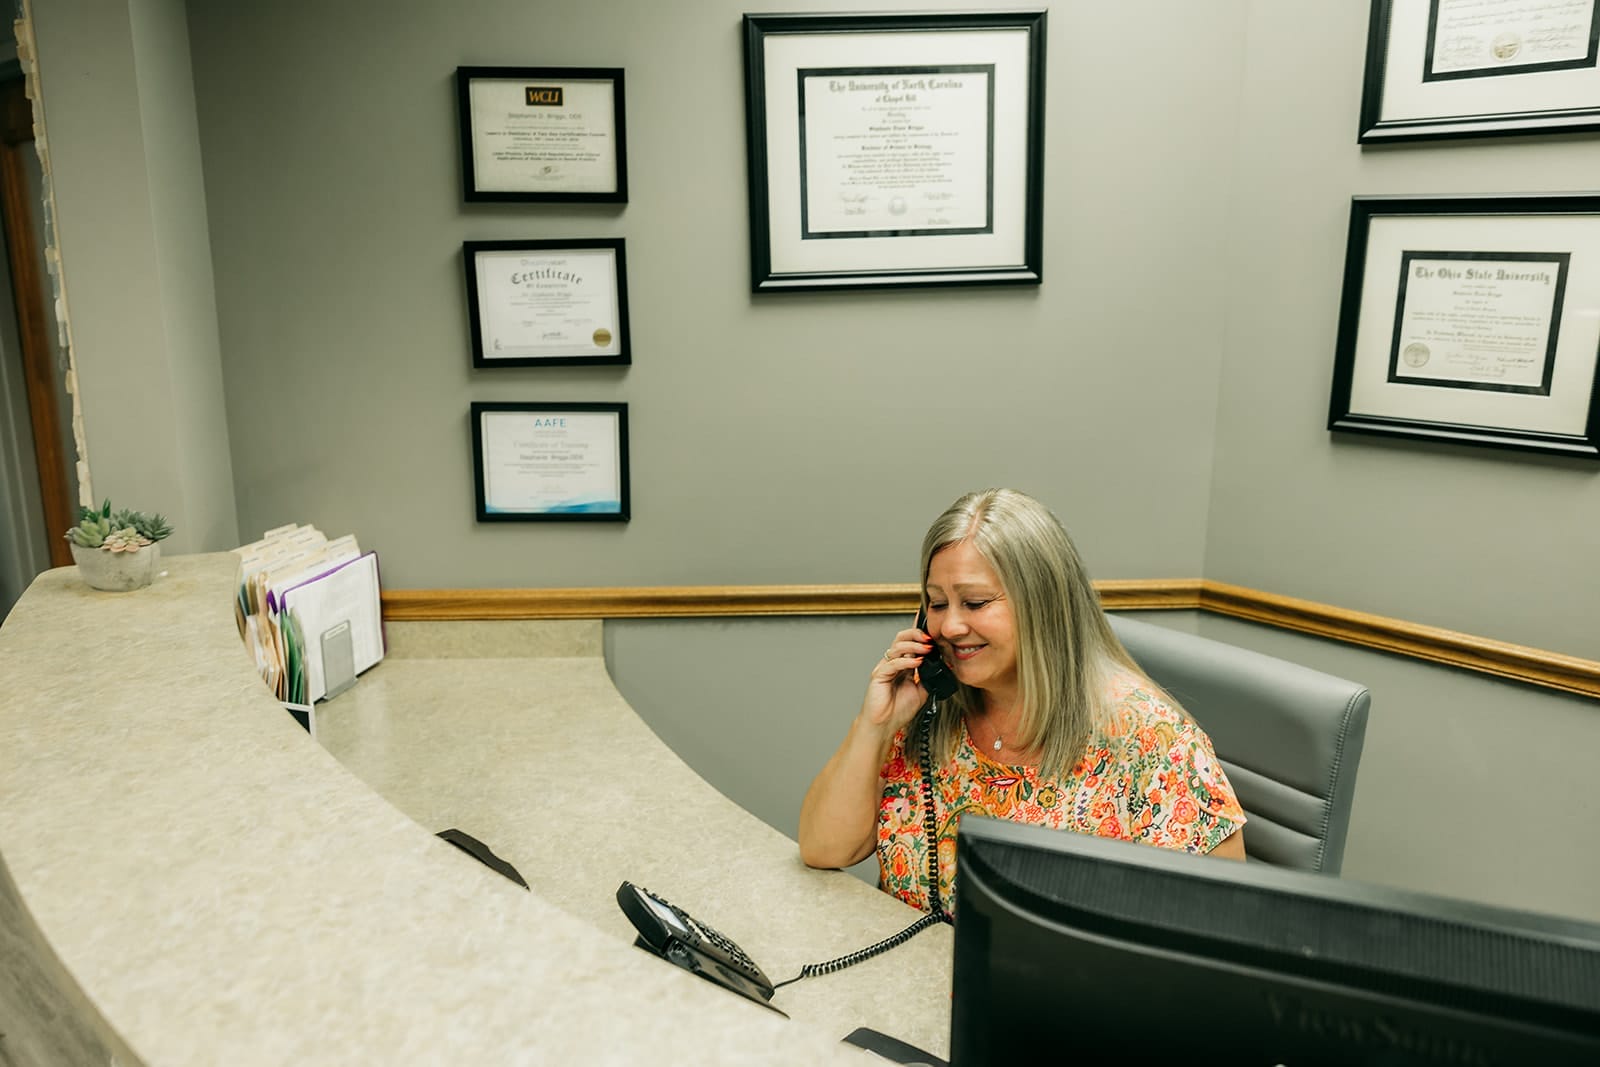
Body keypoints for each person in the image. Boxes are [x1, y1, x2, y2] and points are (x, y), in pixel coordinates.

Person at [799, 488, 1246, 914]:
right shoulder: (934, 706)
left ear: (1042, 605)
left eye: (974, 603)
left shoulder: (1154, 740)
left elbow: (1220, 931)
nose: (950, 627)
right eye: (936, 604)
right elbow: (823, 848)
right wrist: (874, 725)